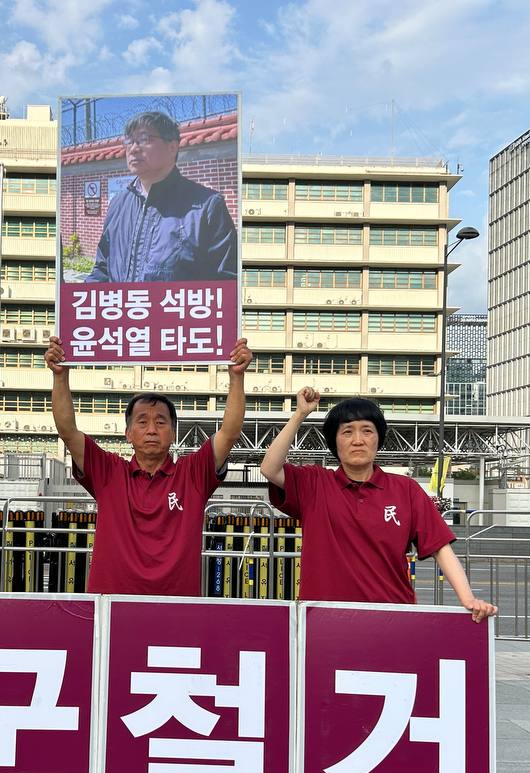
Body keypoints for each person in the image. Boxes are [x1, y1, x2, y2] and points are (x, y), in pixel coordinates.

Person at [260, 389, 497, 621]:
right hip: (324, 619)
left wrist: (468, 599)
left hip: (392, 618)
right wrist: (300, 414)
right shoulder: (314, 484)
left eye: (367, 431)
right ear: (334, 441)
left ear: (378, 438)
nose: (358, 440)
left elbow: (440, 548)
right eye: (347, 432)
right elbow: (270, 468)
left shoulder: (406, 489)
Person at [44, 333, 252, 595]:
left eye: (161, 422)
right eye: (142, 422)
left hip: (176, 607)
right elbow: (68, 431)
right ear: (128, 433)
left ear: (173, 433)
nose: (152, 429)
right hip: (112, 606)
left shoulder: (193, 474)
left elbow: (229, 434)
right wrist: (60, 376)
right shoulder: (108, 472)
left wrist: (237, 377)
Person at [86, 110, 237, 283]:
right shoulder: (118, 204)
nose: (133, 149)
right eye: (129, 141)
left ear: (172, 147)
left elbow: (227, 283)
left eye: (144, 139)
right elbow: (102, 269)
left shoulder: (207, 207)